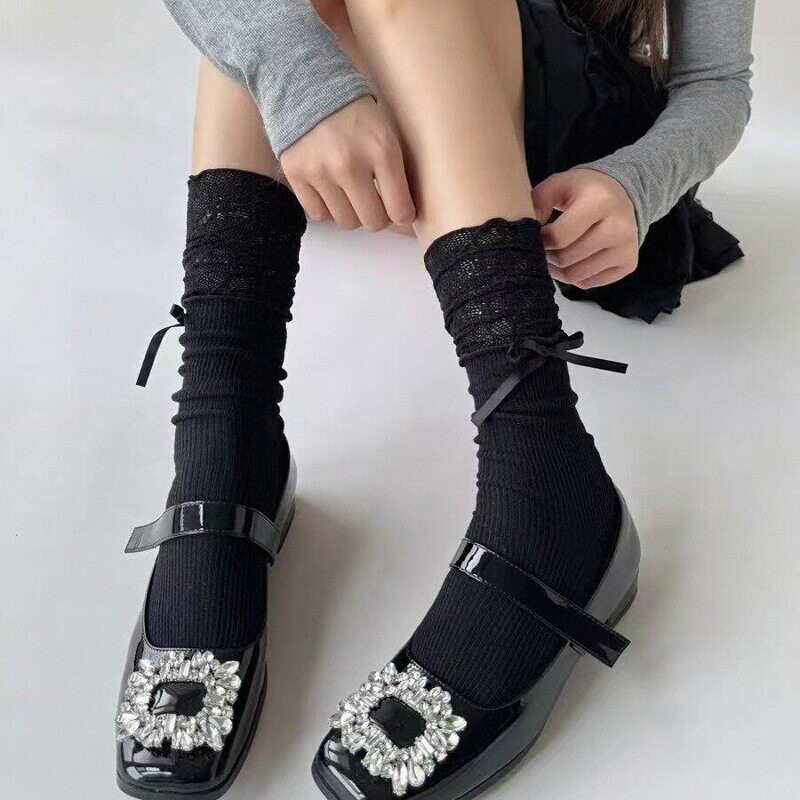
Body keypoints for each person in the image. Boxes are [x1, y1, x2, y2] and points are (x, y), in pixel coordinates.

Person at [114, 2, 755, 799]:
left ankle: (543, 469)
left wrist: (637, 182)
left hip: (567, 158)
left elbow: (718, 83)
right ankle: (227, 431)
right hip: (398, 105)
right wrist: (299, 79)